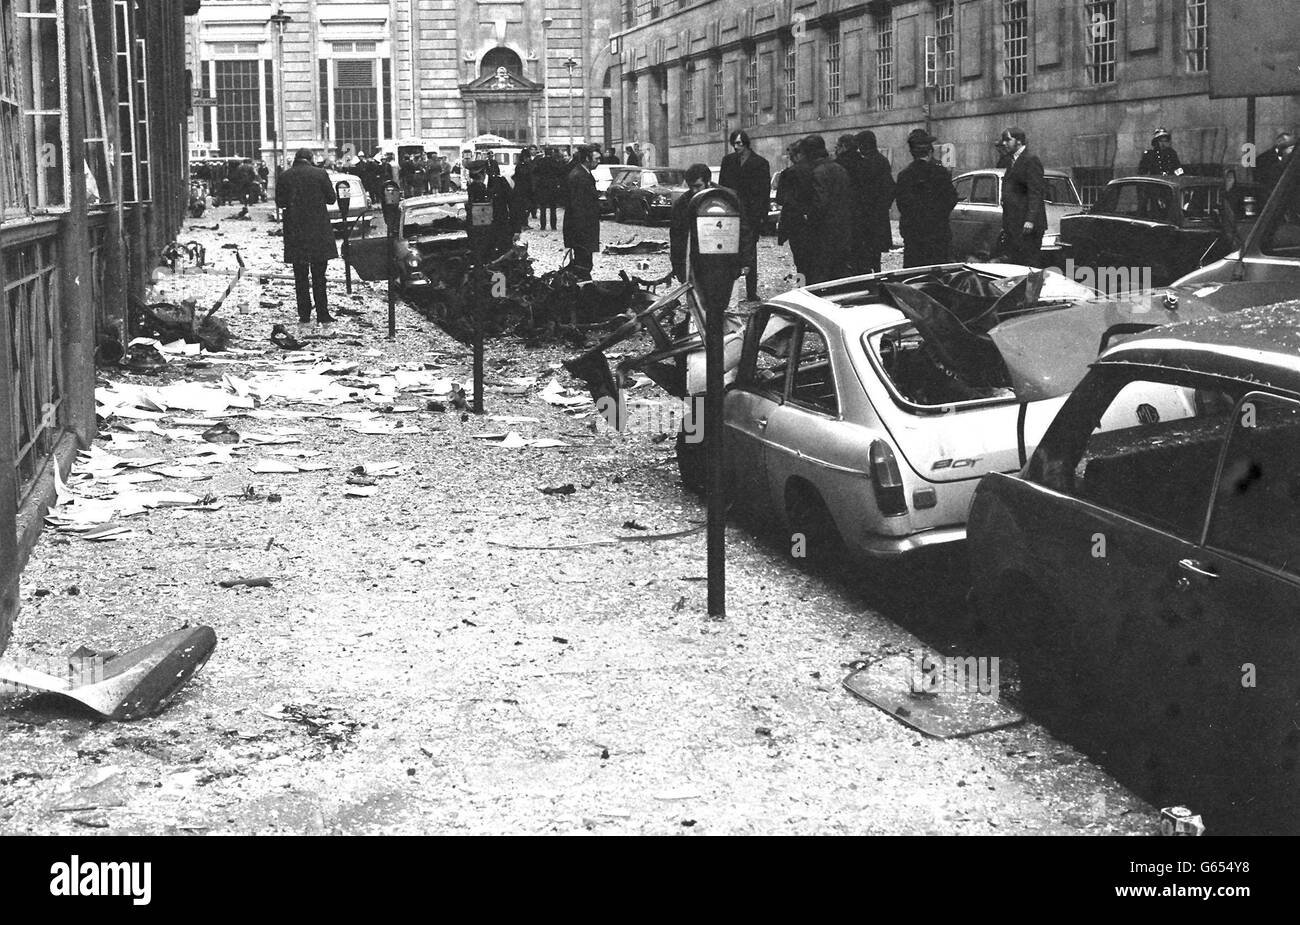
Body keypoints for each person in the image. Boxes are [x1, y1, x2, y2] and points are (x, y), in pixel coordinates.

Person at [275, 148, 338, 330]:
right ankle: (323, 315)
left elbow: (280, 203)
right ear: (310, 159)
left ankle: (304, 316)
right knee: (319, 276)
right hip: (318, 231)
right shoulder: (320, 174)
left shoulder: (285, 176)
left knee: (300, 276)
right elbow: (331, 199)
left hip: (296, 232)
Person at [718, 129, 772, 300]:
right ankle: (727, 289)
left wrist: (762, 216)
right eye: (734, 143)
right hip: (732, 211)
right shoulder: (728, 161)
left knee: (751, 252)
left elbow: (764, 192)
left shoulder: (760, 163)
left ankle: (751, 291)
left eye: (740, 143)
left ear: (746, 143)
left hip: (752, 213)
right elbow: (722, 186)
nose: (737, 146)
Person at [893, 128, 958, 268]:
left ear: (912, 153)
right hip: (938, 234)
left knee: (914, 276)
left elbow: (902, 205)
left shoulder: (904, 175)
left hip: (914, 235)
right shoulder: (940, 173)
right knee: (937, 278)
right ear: (929, 152)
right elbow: (952, 199)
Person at [799, 134, 853, 283]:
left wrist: (807, 216)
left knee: (820, 276)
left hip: (823, 234)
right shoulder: (840, 169)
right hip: (842, 230)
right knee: (839, 274)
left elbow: (819, 204)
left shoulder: (818, 172)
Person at [999, 126, 1047, 267]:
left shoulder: (1031, 160)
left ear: (1019, 141)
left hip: (1028, 227)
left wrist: (1030, 220)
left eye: (1008, 140)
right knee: (1016, 265)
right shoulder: (1011, 161)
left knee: (1029, 265)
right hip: (1014, 225)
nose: (1004, 144)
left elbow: (1036, 192)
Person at [855, 131, 896, 274]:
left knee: (864, 254)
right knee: (875, 255)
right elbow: (890, 188)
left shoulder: (863, 163)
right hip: (878, 216)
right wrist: (884, 207)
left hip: (864, 216)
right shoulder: (882, 161)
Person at [776, 141, 813, 282]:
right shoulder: (816, 169)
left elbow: (780, 199)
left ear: (797, 155)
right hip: (813, 220)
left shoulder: (789, 173)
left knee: (800, 261)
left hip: (795, 222)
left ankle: (802, 286)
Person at [670, 163, 714, 282]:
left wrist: (744, 261)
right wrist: (677, 265)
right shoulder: (682, 204)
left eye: (698, 186)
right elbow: (676, 237)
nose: (694, 190)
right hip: (694, 262)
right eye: (691, 186)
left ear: (708, 182)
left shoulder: (725, 199)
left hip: (720, 262)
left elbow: (742, 230)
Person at [564, 145, 601, 279]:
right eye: (596, 158)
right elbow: (577, 206)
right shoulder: (579, 176)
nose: (599, 161)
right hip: (581, 230)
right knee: (582, 266)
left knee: (584, 264)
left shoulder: (583, 174)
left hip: (584, 229)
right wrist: (581, 233)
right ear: (587, 159)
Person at [834, 135, 869, 275]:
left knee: (845, 256)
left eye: (837, 146)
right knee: (861, 252)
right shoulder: (865, 163)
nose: (835, 149)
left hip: (844, 216)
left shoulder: (838, 165)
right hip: (863, 214)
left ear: (843, 147)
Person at [533, 148, 564, 230]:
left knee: (542, 208)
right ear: (552, 153)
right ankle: (553, 226)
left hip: (542, 187)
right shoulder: (554, 162)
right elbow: (560, 172)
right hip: (552, 187)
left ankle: (543, 226)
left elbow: (535, 172)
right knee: (553, 208)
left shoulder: (540, 161)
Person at [513, 147, 536, 229]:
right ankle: (522, 223)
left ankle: (524, 223)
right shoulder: (522, 166)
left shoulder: (526, 165)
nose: (528, 159)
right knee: (523, 207)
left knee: (527, 207)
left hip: (526, 190)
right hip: (522, 190)